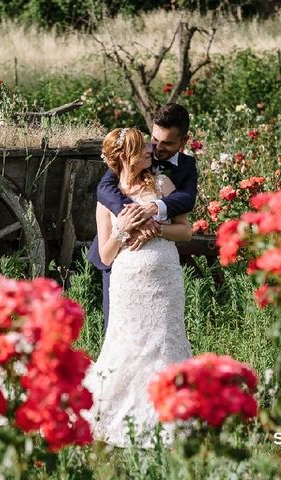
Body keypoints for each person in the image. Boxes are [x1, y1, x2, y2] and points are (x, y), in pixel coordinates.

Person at [82, 127, 193, 447]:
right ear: (126, 157)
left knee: (164, 341)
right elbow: (105, 254)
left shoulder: (163, 184)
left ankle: (170, 409)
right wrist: (124, 230)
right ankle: (123, 411)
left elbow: (185, 232)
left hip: (165, 281)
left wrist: (157, 229)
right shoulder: (108, 198)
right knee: (129, 344)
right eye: (143, 148)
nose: (151, 150)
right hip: (128, 283)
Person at [87, 103, 198, 333]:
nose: (156, 149)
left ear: (183, 141)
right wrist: (135, 219)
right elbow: (104, 189)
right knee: (118, 331)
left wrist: (153, 211)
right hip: (122, 265)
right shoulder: (133, 151)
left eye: (167, 143)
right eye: (155, 140)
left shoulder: (184, 168)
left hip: (162, 275)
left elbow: (186, 200)